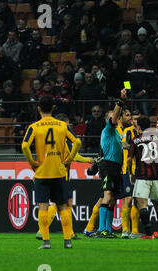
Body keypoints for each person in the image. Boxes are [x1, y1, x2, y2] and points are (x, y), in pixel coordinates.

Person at [21, 95, 82, 249]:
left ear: (39, 108)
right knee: (63, 206)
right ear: (53, 108)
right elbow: (77, 142)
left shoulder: (34, 127)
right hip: (59, 171)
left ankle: (46, 242)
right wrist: (68, 160)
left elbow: (24, 146)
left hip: (42, 172)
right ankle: (67, 241)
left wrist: (32, 163)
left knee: (43, 206)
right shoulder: (62, 125)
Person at [35, 113, 94, 241]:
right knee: (60, 202)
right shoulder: (64, 137)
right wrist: (87, 159)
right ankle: (42, 230)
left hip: (51, 171)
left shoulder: (52, 136)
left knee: (67, 202)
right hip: (61, 173)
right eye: (69, 125)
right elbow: (73, 156)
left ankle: (71, 233)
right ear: (65, 124)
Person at [92, 89, 127, 238]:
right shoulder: (108, 130)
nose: (118, 119)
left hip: (116, 167)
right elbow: (114, 116)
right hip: (108, 165)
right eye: (116, 117)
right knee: (107, 195)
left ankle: (108, 229)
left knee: (112, 198)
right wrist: (120, 101)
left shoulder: (117, 135)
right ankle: (101, 229)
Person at [127, 116, 158, 239]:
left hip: (142, 175)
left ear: (139, 126)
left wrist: (130, 173)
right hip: (155, 175)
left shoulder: (136, 139)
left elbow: (129, 159)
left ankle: (148, 233)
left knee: (141, 204)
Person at [117, 107, 141, 239]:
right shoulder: (128, 131)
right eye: (133, 119)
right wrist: (136, 145)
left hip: (140, 170)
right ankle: (125, 230)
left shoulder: (140, 133)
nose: (135, 121)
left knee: (137, 200)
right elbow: (124, 144)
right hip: (128, 169)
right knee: (128, 199)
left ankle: (135, 231)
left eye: (137, 119)